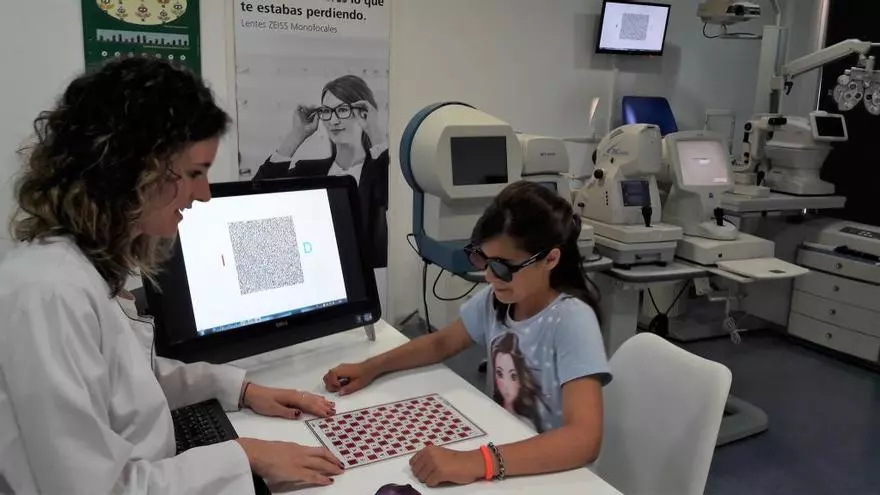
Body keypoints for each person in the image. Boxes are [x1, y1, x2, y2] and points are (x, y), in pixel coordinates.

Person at [0, 57, 345, 494]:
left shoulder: (82, 270)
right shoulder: (48, 294)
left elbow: (125, 382)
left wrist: (239, 389)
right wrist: (243, 456)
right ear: (132, 170)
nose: (204, 194)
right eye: (195, 173)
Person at [323, 181, 612, 487]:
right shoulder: (497, 301)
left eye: (502, 267)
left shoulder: (572, 320)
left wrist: (478, 461)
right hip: (504, 451)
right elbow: (441, 343)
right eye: (482, 260)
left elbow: (584, 439)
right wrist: (371, 367)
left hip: (556, 475)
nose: (488, 276)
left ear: (550, 259)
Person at [253, 74, 388, 269]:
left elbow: (391, 200)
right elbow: (257, 196)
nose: (333, 120)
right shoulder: (308, 171)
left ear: (364, 113)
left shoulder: (379, 172)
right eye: (326, 111)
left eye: (342, 110)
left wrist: (374, 131)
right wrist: (296, 135)